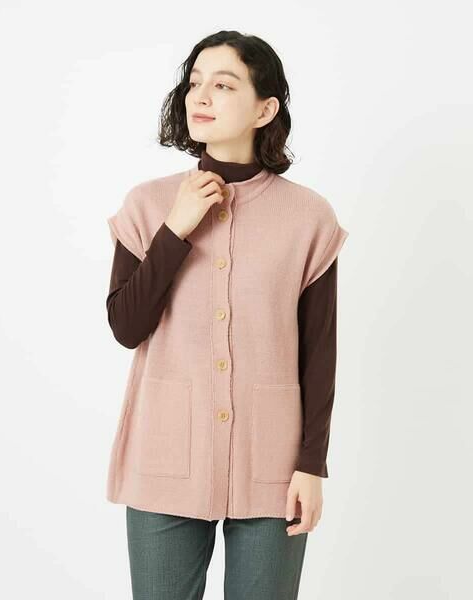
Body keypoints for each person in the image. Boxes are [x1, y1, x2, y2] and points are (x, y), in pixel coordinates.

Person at [105, 30, 349, 600]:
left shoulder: (309, 218)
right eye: (194, 83)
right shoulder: (147, 204)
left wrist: (312, 464)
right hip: (164, 457)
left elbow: (319, 352)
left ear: (265, 109)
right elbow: (126, 327)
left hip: (274, 465)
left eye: (223, 84)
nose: (200, 96)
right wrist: (176, 228)